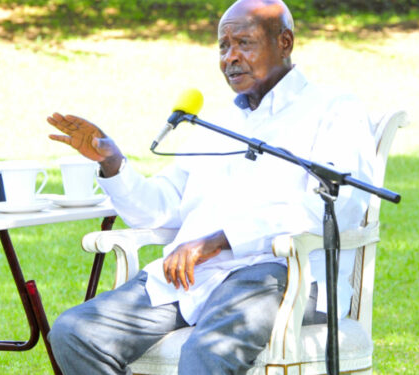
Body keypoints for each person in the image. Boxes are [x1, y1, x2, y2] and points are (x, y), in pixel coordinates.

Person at [45, 0, 375, 374]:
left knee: (207, 352)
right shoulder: (217, 125)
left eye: (244, 43)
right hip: (194, 278)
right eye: (223, 46)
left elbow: (339, 205)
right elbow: (162, 207)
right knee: (75, 332)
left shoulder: (333, 109)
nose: (230, 57)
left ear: (285, 42)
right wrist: (113, 163)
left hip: (281, 273)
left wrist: (221, 239)